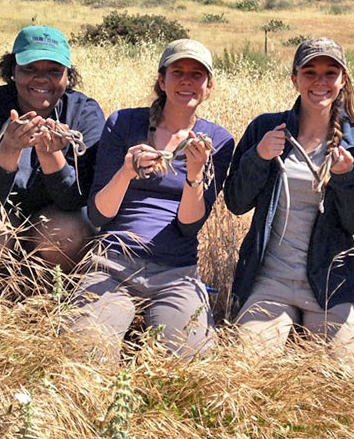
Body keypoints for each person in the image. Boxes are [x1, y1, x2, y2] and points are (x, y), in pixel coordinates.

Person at [67, 39, 234, 360]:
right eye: (178, 72)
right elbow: (99, 215)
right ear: (162, 80)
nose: (187, 81)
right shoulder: (124, 124)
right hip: (112, 265)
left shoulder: (217, 141)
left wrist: (195, 174)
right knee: (86, 356)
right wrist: (127, 172)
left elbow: (189, 226)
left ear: (209, 86)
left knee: (187, 364)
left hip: (176, 272)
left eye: (197, 75)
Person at [224, 38, 354, 368]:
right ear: (294, 79)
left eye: (330, 73)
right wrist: (258, 157)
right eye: (309, 72)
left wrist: (347, 177)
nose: (320, 82)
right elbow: (236, 201)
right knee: (244, 370)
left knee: (352, 377)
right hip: (268, 283)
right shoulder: (266, 128)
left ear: (343, 80)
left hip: (330, 286)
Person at [0, 25, 105, 278]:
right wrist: (8, 150)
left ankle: (44, 286)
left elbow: (77, 202)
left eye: (54, 71)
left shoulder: (85, 114)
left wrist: (50, 156)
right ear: (12, 72)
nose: (41, 79)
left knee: (71, 237)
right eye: (30, 69)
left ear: (68, 76)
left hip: (53, 216)